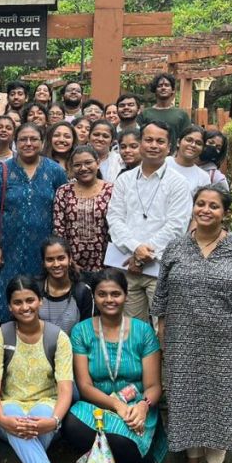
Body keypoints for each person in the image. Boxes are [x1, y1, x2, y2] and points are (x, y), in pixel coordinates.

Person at [153, 185, 232, 463]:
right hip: (183, 340)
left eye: (213, 206)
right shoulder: (176, 247)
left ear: (225, 213)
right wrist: (162, 330)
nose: (205, 210)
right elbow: (161, 293)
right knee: (188, 401)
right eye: (200, 204)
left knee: (222, 403)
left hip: (230, 342)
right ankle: (192, 460)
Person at [64, 269, 166, 463]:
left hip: (135, 407)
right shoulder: (81, 331)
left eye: (115, 294)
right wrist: (115, 405)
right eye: (102, 294)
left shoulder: (143, 331)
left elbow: (154, 385)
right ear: (94, 296)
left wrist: (143, 407)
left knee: (122, 441)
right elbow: (84, 386)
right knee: (71, 425)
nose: (109, 299)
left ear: (126, 296)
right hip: (98, 405)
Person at [106, 120, 191, 321]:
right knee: (132, 331)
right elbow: (114, 218)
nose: (154, 145)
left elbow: (176, 227)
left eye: (160, 141)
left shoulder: (178, 183)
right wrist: (136, 249)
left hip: (161, 269)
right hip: (127, 268)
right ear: (140, 143)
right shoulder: (124, 180)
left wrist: (142, 256)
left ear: (170, 147)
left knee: (162, 329)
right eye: (149, 140)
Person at [0, 123, 68, 325]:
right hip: (8, 251)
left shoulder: (55, 171)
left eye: (33, 139)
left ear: (42, 142)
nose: (28, 143)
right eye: (23, 139)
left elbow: (63, 211)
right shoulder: (2, 171)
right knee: (4, 300)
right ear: (15, 143)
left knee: (38, 300)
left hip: (43, 253)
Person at [0, 276, 73, 463]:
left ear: (40, 300)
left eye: (30, 300)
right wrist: (1, 418)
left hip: (47, 407)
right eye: (17, 302)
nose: (25, 307)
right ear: (9, 307)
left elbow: (65, 389)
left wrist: (53, 421)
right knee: (15, 417)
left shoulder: (58, 338)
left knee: (38, 418)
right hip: (9, 408)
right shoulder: (0, 336)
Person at [53, 146, 114, 273]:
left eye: (88, 163)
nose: (83, 168)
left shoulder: (111, 190)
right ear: (71, 167)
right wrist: (68, 260)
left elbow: (117, 226)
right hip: (72, 265)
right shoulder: (64, 191)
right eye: (77, 165)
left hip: (107, 263)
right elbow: (59, 228)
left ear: (97, 163)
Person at [37, 237, 93, 334]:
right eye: (50, 259)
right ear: (44, 263)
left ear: (70, 258)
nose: (56, 264)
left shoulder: (82, 291)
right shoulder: (36, 289)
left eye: (61, 258)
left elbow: (86, 332)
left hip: (73, 348)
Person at [139, 73, 191, 147]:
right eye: (160, 86)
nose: (163, 88)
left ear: (172, 90)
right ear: (155, 90)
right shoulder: (145, 114)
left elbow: (187, 138)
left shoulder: (182, 114)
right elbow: (139, 137)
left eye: (167, 85)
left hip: (174, 156)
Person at [165, 125, 212, 197]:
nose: (193, 145)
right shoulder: (163, 163)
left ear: (203, 149)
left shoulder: (203, 177)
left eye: (198, 143)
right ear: (178, 142)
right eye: (189, 140)